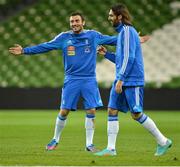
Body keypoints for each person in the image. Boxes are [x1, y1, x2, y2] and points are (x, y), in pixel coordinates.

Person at [9, 12, 149, 153]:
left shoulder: (93, 36)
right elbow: (45, 46)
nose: (74, 24)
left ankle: (89, 144)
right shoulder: (64, 37)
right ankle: (55, 139)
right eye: (72, 21)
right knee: (64, 111)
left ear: (83, 22)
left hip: (89, 79)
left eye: (77, 21)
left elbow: (113, 40)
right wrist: (24, 51)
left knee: (91, 110)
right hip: (71, 79)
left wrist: (133, 39)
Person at [95, 3, 172, 156]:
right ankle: (111, 149)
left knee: (136, 114)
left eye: (111, 15)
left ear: (119, 16)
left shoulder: (128, 32)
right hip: (122, 78)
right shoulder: (124, 33)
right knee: (112, 109)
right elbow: (121, 58)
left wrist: (121, 79)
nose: (109, 18)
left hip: (132, 80)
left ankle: (163, 141)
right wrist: (106, 54)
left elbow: (129, 58)